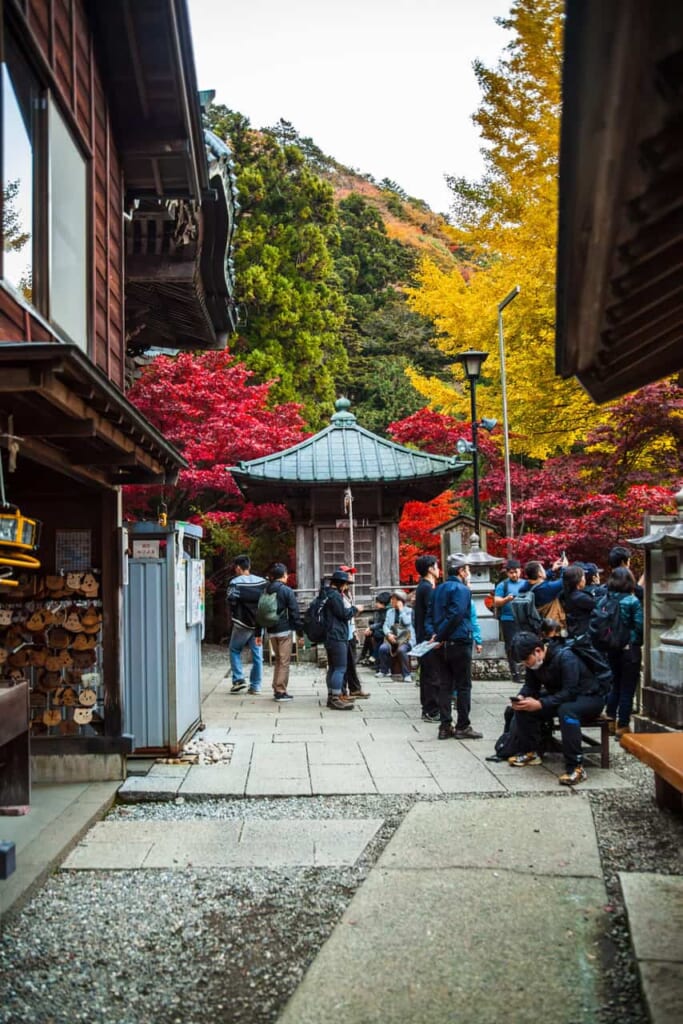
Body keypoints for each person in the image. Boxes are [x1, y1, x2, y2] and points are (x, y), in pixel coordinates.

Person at [507, 630, 610, 785]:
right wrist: (522, 697)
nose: (527, 664)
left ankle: (576, 766)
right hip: (560, 697)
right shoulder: (534, 664)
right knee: (523, 707)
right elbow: (530, 686)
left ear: (538, 650)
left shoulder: (566, 657)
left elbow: (571, 691)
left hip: (588, 698)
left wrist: (541, 704)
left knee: (566, 711)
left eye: (527, 660)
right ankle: (533, 751)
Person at [426, 552, 482, 741]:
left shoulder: (437, 589)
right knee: (463, 685)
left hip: (439, 645)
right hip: (458, 641)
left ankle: (444, 725)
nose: (469, 573)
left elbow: (428, 616)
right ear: (461, 570)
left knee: (445, 685)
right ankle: (463, 725)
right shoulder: (463, 590)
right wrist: (441, 635)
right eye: (467, 569)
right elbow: (456, 615)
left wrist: (434, 635)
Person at [602, 566, 643, 737]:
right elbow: (639, 625)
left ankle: (610, 719)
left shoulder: (605, 600)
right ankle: (623, 725)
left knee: (615, 684)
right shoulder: (632, 601)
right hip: (629, 649)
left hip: (611, 648)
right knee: (628, 687)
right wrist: (636, 642)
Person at [323, 568, 363, 711]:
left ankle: (332, 695)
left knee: (333, 667)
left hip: (329, 635)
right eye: (346, 584)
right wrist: (355, 609)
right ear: (341, 584)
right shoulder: (335, 596)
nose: (346, 587)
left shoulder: (326, 594)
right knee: (340, 668)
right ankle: (335, 698)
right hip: (337, 635)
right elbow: (343, 614)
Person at [263, 563, 304, 702]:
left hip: (271, 630)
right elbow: (294, 613)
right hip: (284, 630)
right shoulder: (287, 591)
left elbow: (260, 610)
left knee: (279, 660)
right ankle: (280, 691)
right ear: (284, 575)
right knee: (284, 661)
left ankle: (276, 687)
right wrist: (300, 633)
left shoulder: (266, 589)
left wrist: (258, 633)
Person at [226, 555, 266, 694]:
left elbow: (231, 600)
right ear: (248, 566)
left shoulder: (235, 582)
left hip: (242, 623)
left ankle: (238, 679)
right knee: (257, 655)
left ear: (238, 567)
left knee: (234, 650)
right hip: (259, 624)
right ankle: (256, 686)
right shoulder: (262, 582)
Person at [413, 555, 441, 723]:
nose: (438, 569)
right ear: (430, 568)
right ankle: (431, 709)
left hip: (423, 635)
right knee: (432, 674)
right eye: (436, 566)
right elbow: (432, 614)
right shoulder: (427, 588)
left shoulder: (423, 587)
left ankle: (428, 709)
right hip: (428, 637)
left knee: (428, 674)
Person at [493, 558, 525, 684]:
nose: (514, 575)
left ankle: (524, 670)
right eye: (511, 572)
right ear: (507, 573)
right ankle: (514, 672)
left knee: (523, 644)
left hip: (522, 619)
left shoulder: (525, 584)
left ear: (520, 571)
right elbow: (496, 602)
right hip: (508, 619)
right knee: (511, 645)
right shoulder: (503, 585)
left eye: (516, 572)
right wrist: (506, 599)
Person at [377, 590, 415, 682]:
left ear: (400, 600)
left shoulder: (409, 611)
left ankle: (407, 674)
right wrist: (388, 634)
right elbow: (385, 625)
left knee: (401, 650)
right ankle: (384, 670)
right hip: (392, 638)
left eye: (394, 600)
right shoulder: (390, 611)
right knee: (383, 648)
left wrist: (401, 609)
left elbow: (406, 622)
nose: (391, 602)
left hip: (406, 640)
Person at [559, 563, 596, 638]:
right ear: (579, 580)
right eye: (583, 577)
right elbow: (597, 605)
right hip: (583, 634)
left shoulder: (565, 594)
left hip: (573, 631)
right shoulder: (580, 597)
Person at [359, 591, 391, 666]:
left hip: (386, 631)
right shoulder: (380, 610)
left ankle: (372, 658)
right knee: (369, 635)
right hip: (379, 630)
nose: (376, 604)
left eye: (378, 602)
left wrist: (371, 627)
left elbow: (382, 623)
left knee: (377, 636)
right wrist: (371, 629)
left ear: (383, 603)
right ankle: (368, 657)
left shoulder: (388, 611)